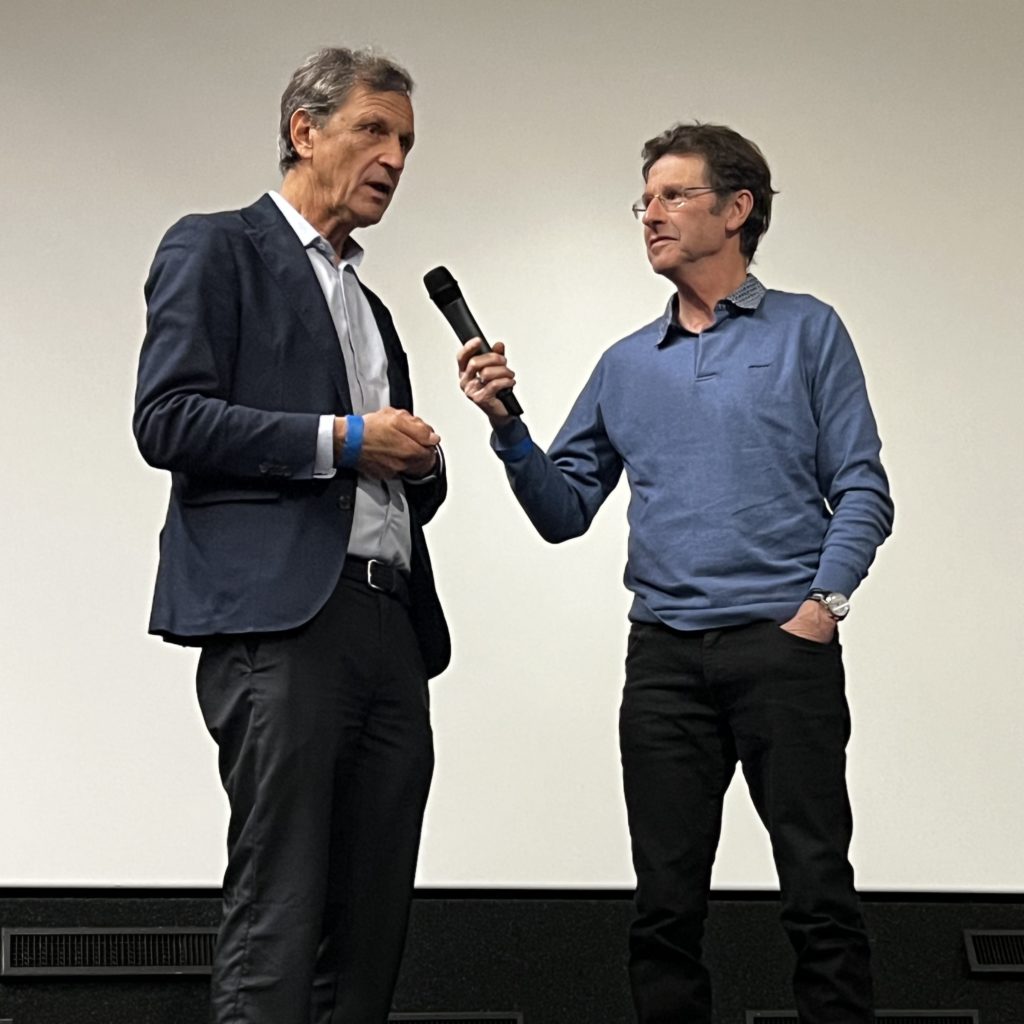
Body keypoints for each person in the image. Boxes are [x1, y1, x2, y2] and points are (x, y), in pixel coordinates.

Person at [457, 122, 893, 1023]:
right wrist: (507, 428)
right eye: (643, 200)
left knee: (819, 896)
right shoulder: (624, 364)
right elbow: (562, 513)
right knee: (664, 910)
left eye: (671, 196)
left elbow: (862, 488)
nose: (649, 215)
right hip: (664, 665)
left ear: (737, 210)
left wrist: (822, 605)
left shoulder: (809, 330)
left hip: (783, 653)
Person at [134, 47, 449, 1024]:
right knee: (282, 905)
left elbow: (395, 487)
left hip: (387, 627)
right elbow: (169, 419)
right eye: (373, 130)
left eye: (405, 140)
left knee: (371, 920)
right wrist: (347, 438)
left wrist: (421, 461)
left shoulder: (375, 308)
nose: (393, 156)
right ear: (303, 130)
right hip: (281, 625)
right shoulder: (216, 247)